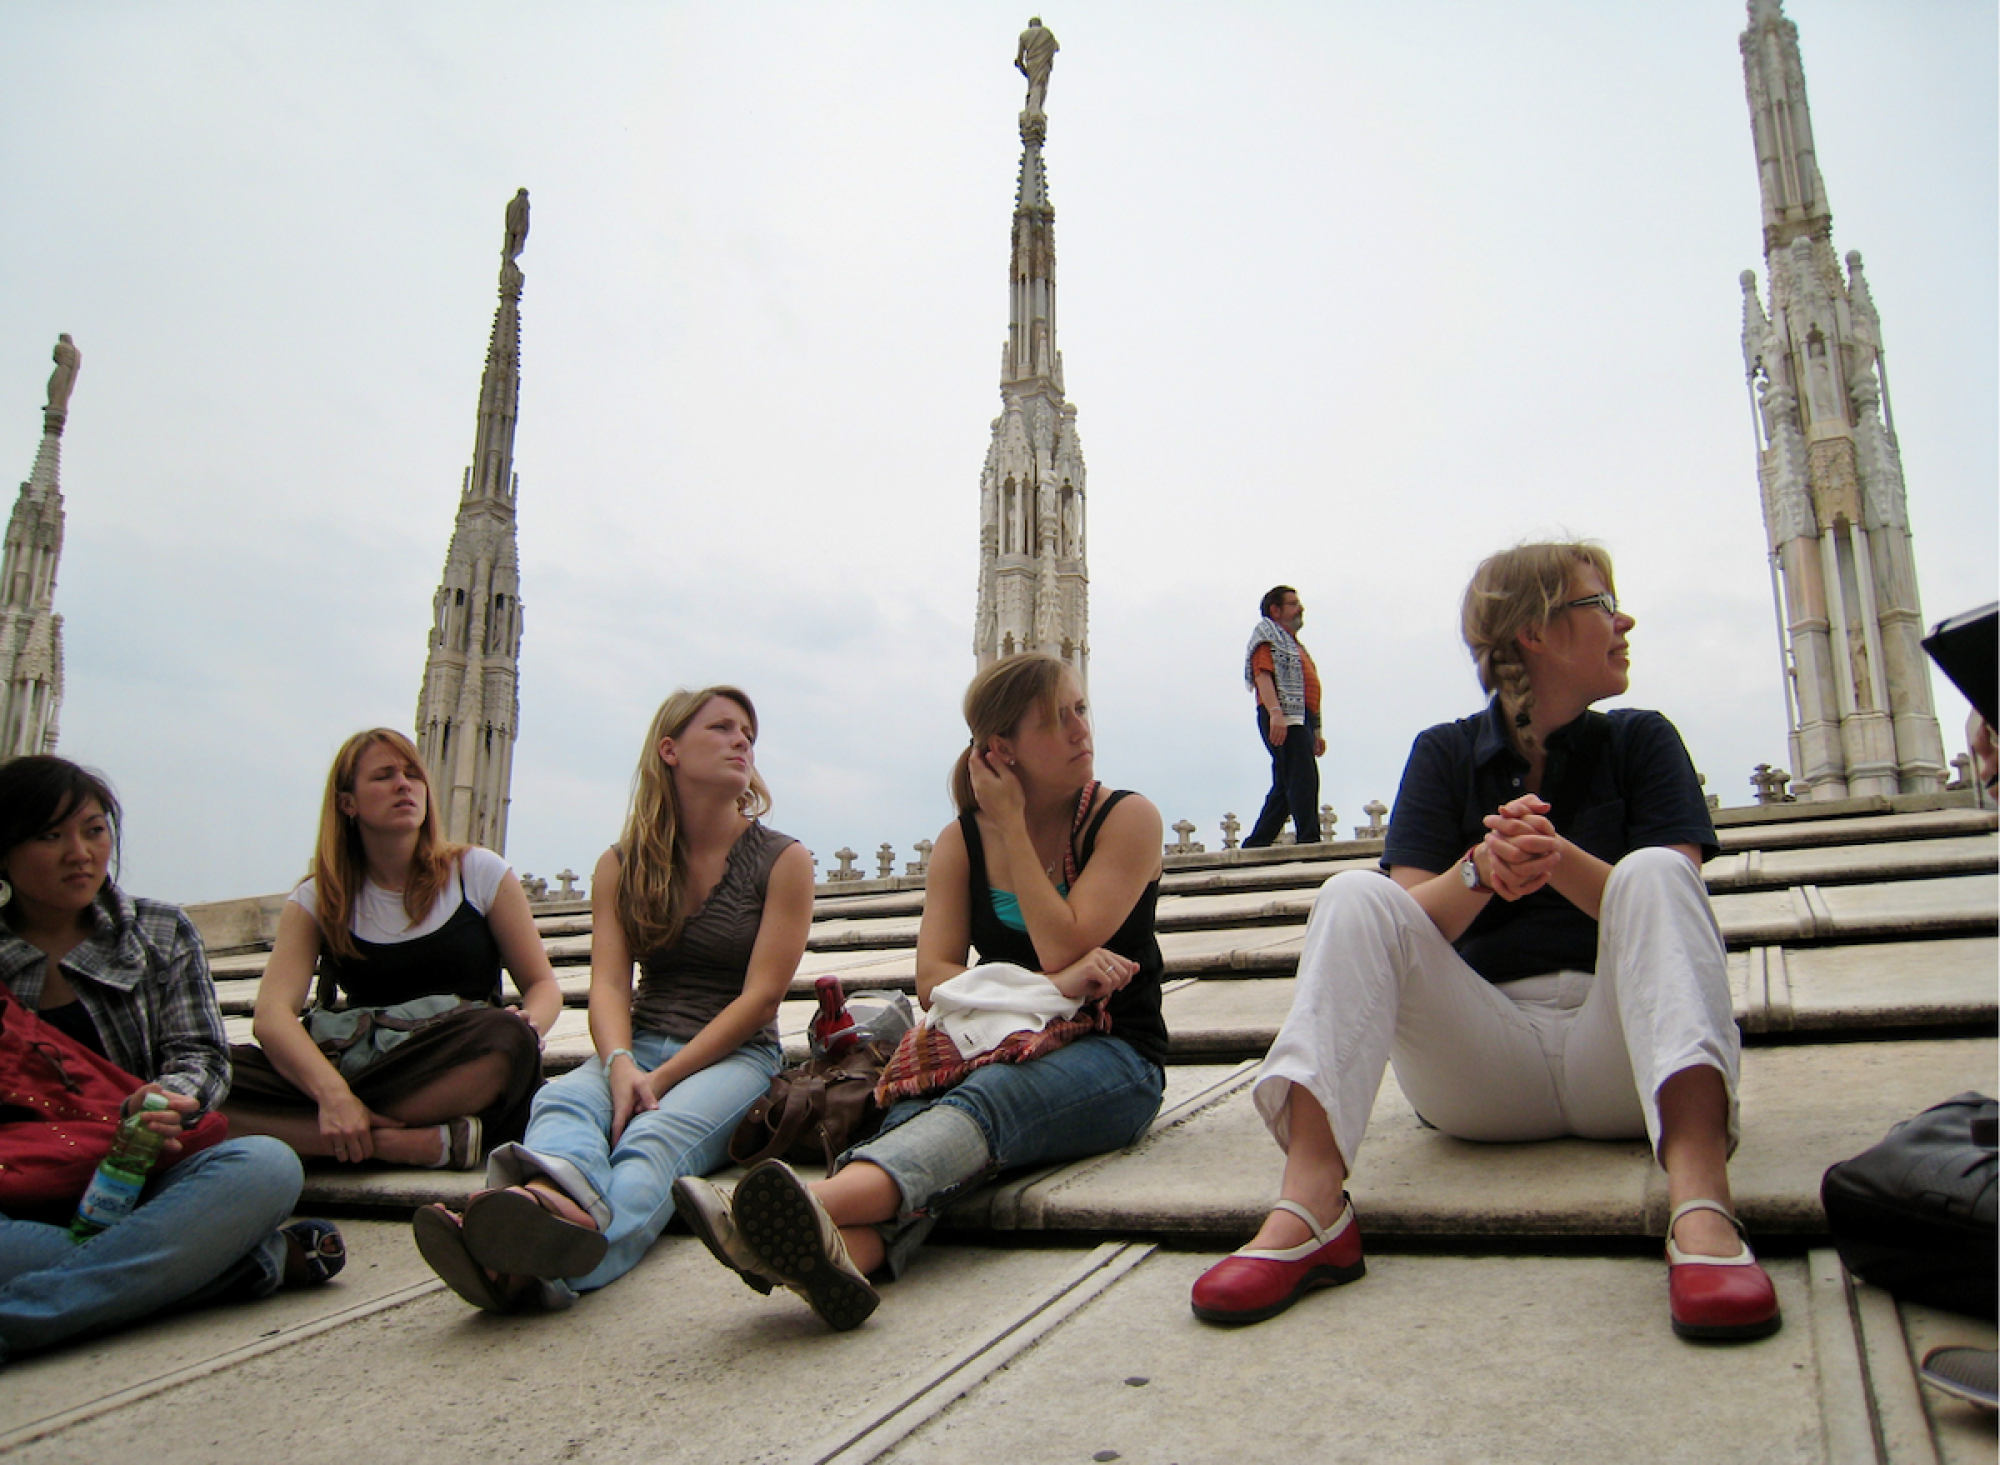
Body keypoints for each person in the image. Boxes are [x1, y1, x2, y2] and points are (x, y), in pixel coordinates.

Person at [1191, 542, 1782, 1342]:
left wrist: (1559, 861)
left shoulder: (1642, 740)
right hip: (1479, 1067)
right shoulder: (1443, 752)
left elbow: (1671, 909)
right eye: (1601, 603)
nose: (1623, 620)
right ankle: (1311, 1203)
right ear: (1535, 631)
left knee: (1653, 872)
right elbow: (1402, 924)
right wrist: (1482, 870)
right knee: (1354, 895)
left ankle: (1703, 1204)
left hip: (1628, 1062)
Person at [675, 654, 1168, 1330]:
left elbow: (1065, 942)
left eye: (1080, 709)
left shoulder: (1127, 818)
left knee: (988, 1102)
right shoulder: (961, 842)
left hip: (1115, 1058)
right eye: (1057, 718)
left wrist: (1014, 829)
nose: (1081, 728)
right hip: (986, 1048)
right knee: (916, 1115)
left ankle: (796, 1209)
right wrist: (1052, 985)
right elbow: (934, 977)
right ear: (1001, 751)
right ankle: (841, 1253)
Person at [412, 687, 814, 1311]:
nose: (743, 741)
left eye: (749, 733)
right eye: (723, 728)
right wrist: (622, 1061)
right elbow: (607, 984)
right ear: (670, 750)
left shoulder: (783, 860)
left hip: (735, 1058)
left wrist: (661, 1078)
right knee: (563, 1099)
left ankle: (547, 1258)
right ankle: (540, 1228)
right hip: (642, 1040)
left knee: (654, 1139)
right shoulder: (622, 863)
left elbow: (762, 1001)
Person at [0, 756, 341, 1362]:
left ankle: (18, 1321)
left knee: (266, 1166)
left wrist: (159, 1101)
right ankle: (243, 1264)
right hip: (19, 1188)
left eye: (95, 828)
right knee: (90, 1251)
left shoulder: (156, 931)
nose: (79, 852)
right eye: (50, 836)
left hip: (149, 1179)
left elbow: (202, 1056)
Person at [224, 729, 561, 1168]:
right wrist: (333, 1093)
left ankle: (329, 1134)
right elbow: (271, 1016)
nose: (404, 784)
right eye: (384, 776)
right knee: (210, 1075)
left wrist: (532, 1023)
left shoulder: (477, 872)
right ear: (348, 803)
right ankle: (410, 1142)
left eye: (412, 774)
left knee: (509, 1040)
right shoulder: (318, 899)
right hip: (360, 1068)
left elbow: (542, 985)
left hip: (443, 1063)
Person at [1243, 584, 1325, 847]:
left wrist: (1316, 731)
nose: (1300, 608)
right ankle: (1309, 839)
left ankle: (1257, 843)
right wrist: (1276, 713)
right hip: (1282, 714)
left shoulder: (1291, 642)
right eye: (1293, 603)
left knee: (1286, 781)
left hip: (1300, 717)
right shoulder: (1267, 636)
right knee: (1302, 776)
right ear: (1275, 609)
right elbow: (1262, 675)